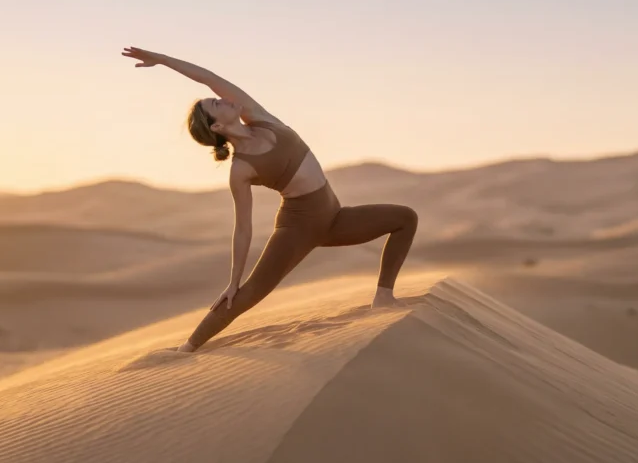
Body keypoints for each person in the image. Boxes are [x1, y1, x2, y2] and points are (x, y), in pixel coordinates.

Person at [122, 47, 419, 353]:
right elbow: (243, 229)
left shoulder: (258, 116)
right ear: (216, 127)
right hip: (297, 228)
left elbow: (208, 77)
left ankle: (383, 296)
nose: (223, 97)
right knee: (248, 293)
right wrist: (233, 279)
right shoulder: (241, 169)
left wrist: (163, 60)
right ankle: (188, 346)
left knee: (405, 218)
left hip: (335, 217)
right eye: (216, 104)